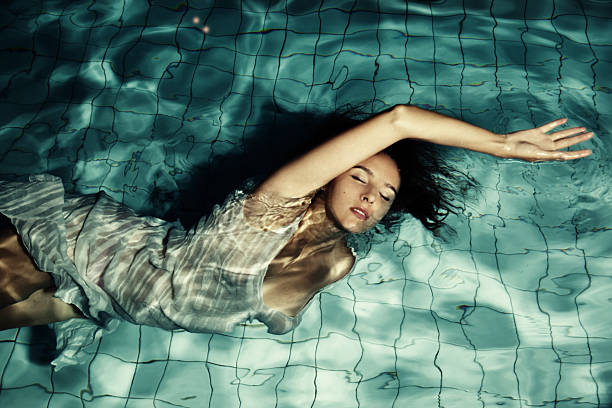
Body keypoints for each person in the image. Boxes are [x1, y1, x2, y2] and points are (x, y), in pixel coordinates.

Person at [0, 105, 592, 366]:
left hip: (99, 295)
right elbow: (399, 120)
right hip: (59, 241)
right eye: (359, 175)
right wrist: (502, 145)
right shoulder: (265, 211)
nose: (370, 197)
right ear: (324, 174)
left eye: (386, 195)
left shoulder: (339, 265)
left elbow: (207, 303)